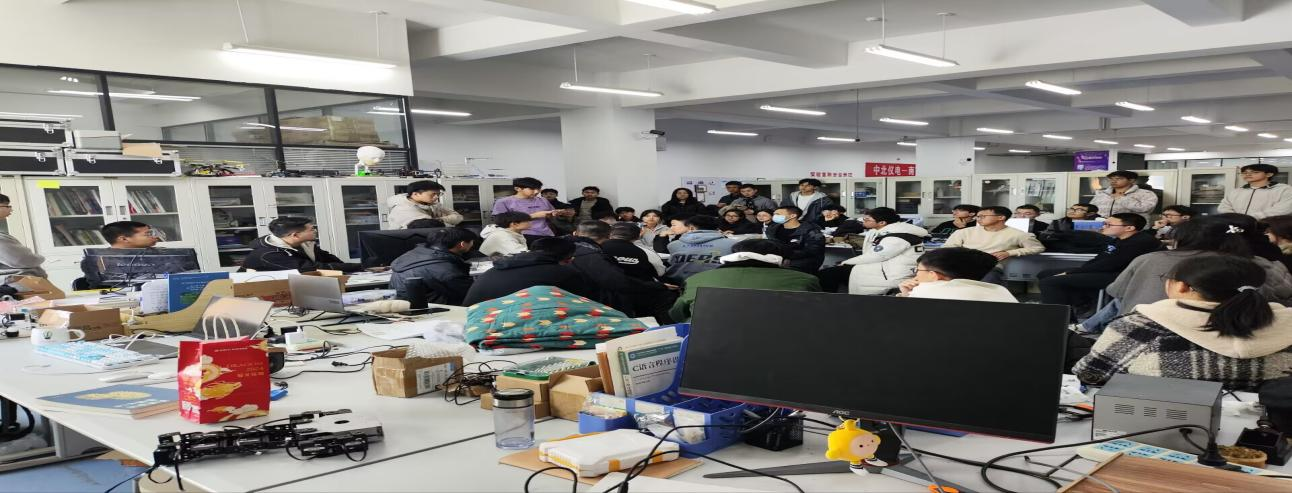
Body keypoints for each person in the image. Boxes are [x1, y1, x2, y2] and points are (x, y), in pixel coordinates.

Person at [1073, 255, 1292, 391]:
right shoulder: (1285, 322)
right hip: (1271, 429)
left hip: (1157, 424)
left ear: (1182, 286)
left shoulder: (1142, 325)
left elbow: (1091, 375)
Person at [1105, 215, 1292, 319]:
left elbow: (1116, 291)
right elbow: (1280, 299)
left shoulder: (1149, 259)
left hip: (1141, 327)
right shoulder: (1253, 263)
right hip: (1228, 334)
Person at [669, 239, 822, 322]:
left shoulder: (697, 279)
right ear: (782, 260)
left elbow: (677, 314)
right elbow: (817, 314)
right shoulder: (805, 280)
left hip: (707, 342)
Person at [1039, 213, 1162, 314]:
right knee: (1045, 274)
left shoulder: (1139, 242)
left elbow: (1110, 264)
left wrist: (1070, 273)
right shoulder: (1118, 239)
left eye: (1109, 225)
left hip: (1123, 276)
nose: (1103, 227)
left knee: (1050, 282)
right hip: (1108, 271)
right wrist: (1074, 272)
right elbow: (1100, 259)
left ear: (1129, 228)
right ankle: (1080, 305)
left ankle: (1059, 320)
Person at [570, 221, 677, 322]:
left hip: (575, 298)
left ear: (575, 233)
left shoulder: (571, 248)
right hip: (598, 301)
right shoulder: (591, 254)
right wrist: (657, 286)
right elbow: (618, 281)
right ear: (609, 235)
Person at [816, 207, 929, 294]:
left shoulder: (897, 237)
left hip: (890, 275)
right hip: (883, 268)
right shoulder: (883, 230)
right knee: (831, 274)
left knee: (829, 274)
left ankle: (828, 301)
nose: (863, 221)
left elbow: (877, 256)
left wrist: (846, 262)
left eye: (867, 219)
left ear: (882, 223)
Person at [462, 237, 593, 306]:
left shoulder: (501, 265)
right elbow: (582, 303)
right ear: (568, 259)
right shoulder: (564, 274)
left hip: (470, 316)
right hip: (499, 325)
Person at [389, 228, 477, 306]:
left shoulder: (414, 254)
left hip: (406, 306)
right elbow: (469, 291)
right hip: (433, 309)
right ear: (462, 244)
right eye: (472, 241)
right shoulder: (444, 269)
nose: (472, 244)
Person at [241, 217, 363, 273]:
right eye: (311, 229)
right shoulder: (268, 254)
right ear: (295, 235)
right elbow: (310, 268)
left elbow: (332, 261)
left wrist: (357, 268)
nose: (315, 231)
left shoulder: (305, 244)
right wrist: (361, 266)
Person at [897, 248, 1018, 302]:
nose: (916, 275)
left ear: (933, 275)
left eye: (918, 270)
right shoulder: (1000, 291)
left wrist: (907, 295)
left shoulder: (925, 291)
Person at [942, 206, 1045, 263]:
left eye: (983, 216)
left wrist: (1009, 253)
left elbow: (1038, 248)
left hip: (992, 266)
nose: (978, 219)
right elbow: (947, 248)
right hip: (962, 264)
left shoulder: (1018, 234)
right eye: (978, 216)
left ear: (1001, 217)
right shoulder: (964, 232)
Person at [81, 221, 165, 288]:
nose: (155, 237)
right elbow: (100, 287)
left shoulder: (163, 254)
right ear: (124, 239)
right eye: (148, 234)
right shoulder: (96, 260)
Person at [491, 177, 572, 242]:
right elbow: (500, 222)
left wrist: (559, 213)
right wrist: (533, 216)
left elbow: (552, 216)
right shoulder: (504, 202)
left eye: (538, 188)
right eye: (532, 189)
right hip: (521, 236)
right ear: (517, 188)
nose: (536, 191)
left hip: (546, 234)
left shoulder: (542, 200)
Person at [664, 215, 739, 282]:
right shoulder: (733, 244)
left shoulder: (674, 245)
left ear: (691, 227)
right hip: (719, 283)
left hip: (680, 284)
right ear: (717, 228)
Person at [765, 206, 826, 273]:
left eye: (778, 214)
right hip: (775, 261)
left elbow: (813, 251)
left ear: (793, 216)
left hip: (802, 264)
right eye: (774, 214)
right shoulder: (772, 230)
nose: (774, 216)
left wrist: (785, 255)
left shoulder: (811, 231)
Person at [1219, 163, 1292, 219]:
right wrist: (1235, 218)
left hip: (1268, 228)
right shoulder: (1237, 191)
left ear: (1269, 174)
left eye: (1255, 172)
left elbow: (1284, 209)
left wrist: (1250, 218)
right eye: (1244, 172)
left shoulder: (1284, 189)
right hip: (1236, 225)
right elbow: (1224, 207)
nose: (1248, 174)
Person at [0, 193, 46, 278]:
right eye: (7, 206)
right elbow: (21, 259)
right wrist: (40, 258)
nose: (11, 210)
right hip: (14, 282)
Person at [387, 180, 463, 229]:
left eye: (438, 194)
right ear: (416, 194)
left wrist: (440, 219)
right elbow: (431, 225)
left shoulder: (432, 204)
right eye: (433, 194)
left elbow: (458, 217)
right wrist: (446, 220)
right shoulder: (403, 208)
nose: (436, 197)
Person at [1090, 171, 1158, 220]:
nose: (1113, 181)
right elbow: (1092, 209)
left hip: (1131, 228)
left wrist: (1121, 199)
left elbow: (1145, 208)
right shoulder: (1102, 194)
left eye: (1118, 179)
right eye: (1111, 179)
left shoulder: (1146, 193)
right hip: (1103, 227)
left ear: (1131, 180)